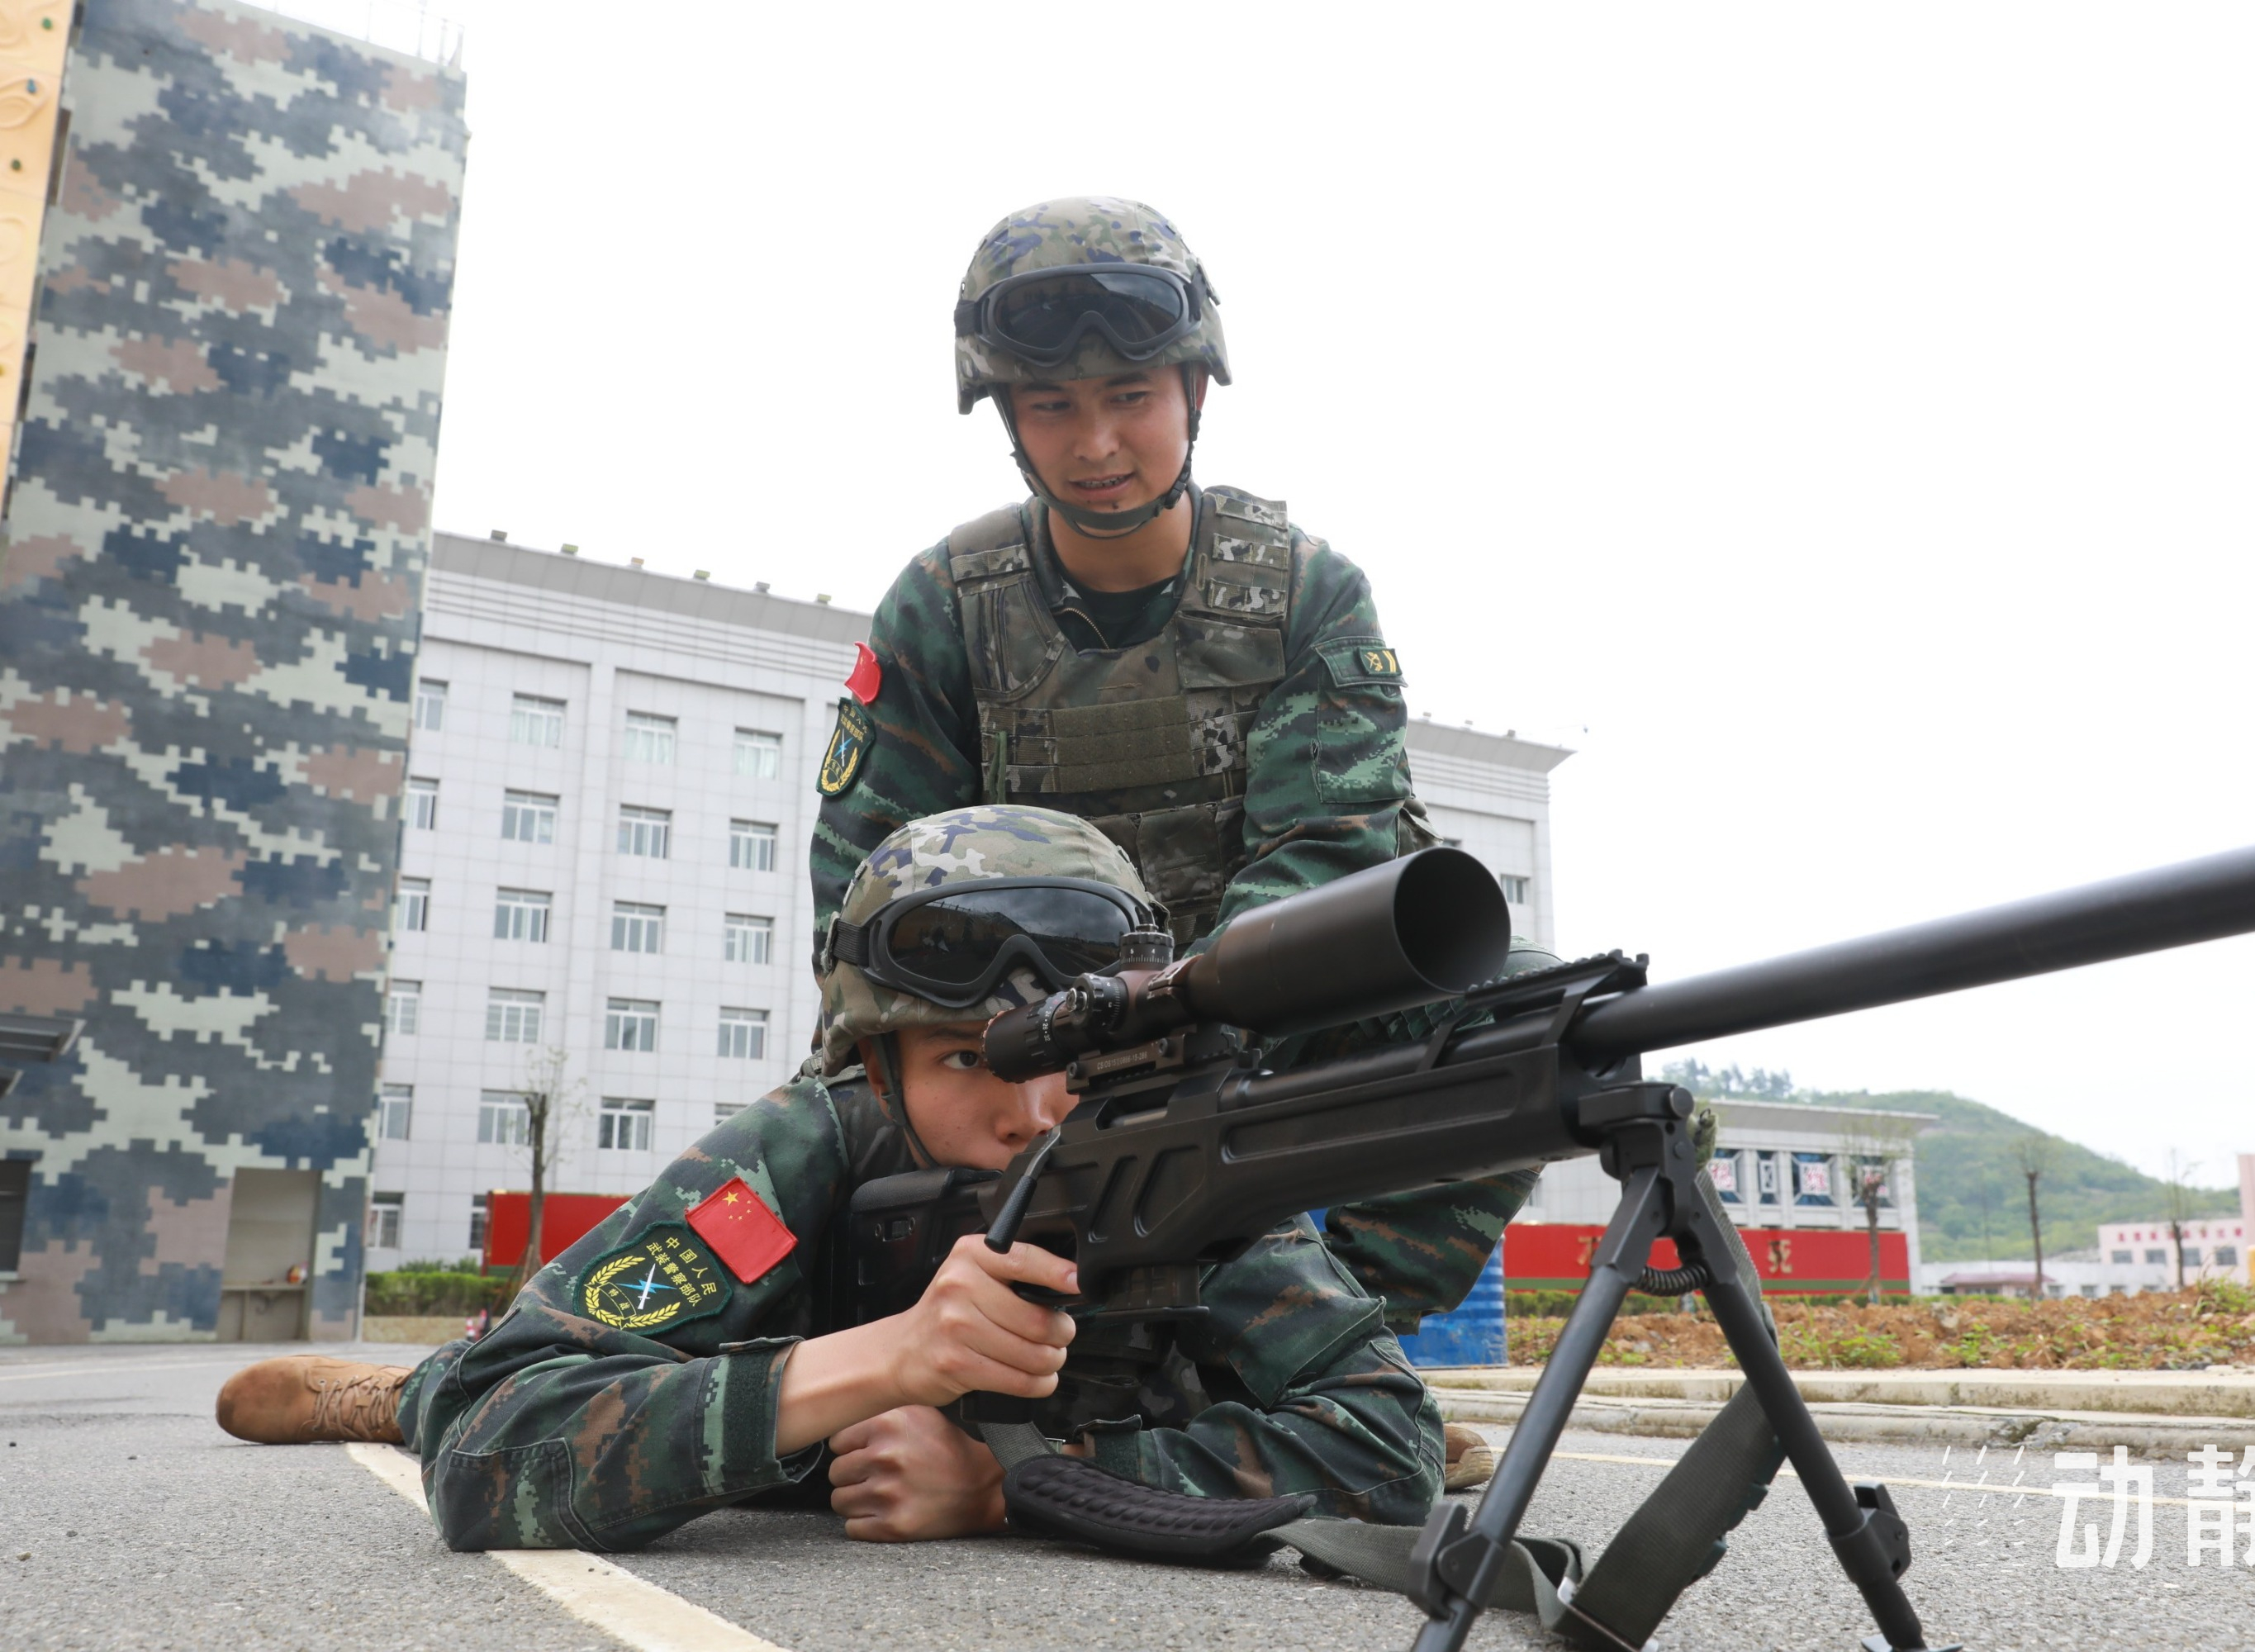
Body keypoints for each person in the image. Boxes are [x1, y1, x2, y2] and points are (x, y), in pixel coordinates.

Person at [809, 197, 1534, 1485]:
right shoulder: (942, 608)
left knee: (1525, 1025)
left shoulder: (1306, 592)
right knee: (801, 1175)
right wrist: (959, 1064)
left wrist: (1174, 1037)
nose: (1096, 444)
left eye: (1131, 394)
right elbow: (865, 880)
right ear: (1004, 414)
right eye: (1049, 406)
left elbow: (1328, 850)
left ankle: (1310, 1355)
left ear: (1197, 387)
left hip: (1248, 1027)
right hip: (1008, 1048)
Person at [217, 807, 1445, 1550]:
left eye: (1073, 1061)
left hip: (1065, 1432)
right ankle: (395, 1387)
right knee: (457, 1395)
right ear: (874, 1057)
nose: (1029, 1114)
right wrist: (875, 1364)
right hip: (756, 1396)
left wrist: (1016, 1486)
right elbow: (494, 1456)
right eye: (968, 1058)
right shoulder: (803, 1150)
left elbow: (1392, 1452)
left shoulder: (1164, 1146)